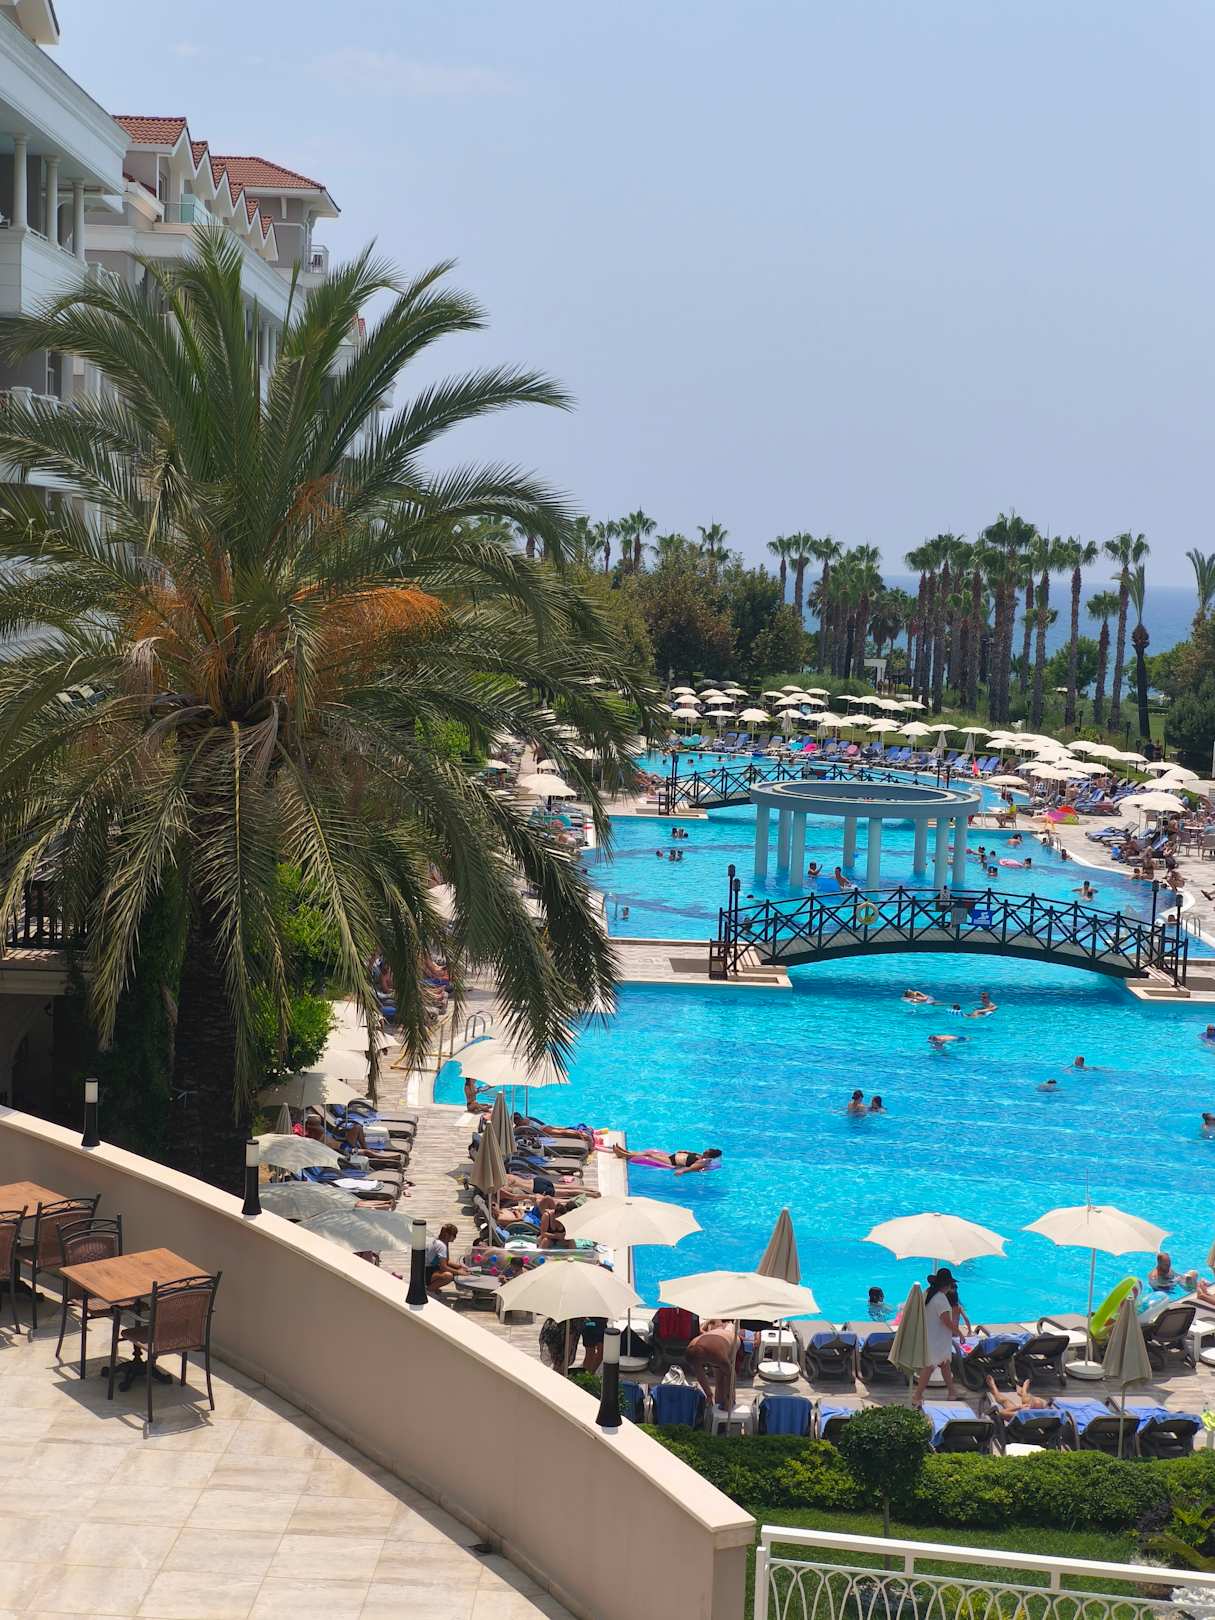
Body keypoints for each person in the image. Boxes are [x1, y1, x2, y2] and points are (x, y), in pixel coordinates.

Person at [913, 1270, 963, 1405]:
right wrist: (959, 1332)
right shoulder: (940, 1299)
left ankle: (952, 1392)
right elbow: (946, 1321)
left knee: (945, 1364)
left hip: (932, 1336)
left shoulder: (928, 1293)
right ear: (947, 1285)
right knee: (930, 1367)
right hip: (937, 1340)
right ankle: (917, 1395)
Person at [685, 1320, 738, 1410]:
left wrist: (728, 1397)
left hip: (732, 1340)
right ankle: (719, 1405)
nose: (699, 1365)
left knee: (723, 1378)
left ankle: (729, 1403)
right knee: (718, 1379)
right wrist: (708, 1395)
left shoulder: (716, 1354)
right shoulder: (692, 1349)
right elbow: (700, 1374)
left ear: (705, 1356)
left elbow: (731, 1375)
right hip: (715, 1338)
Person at [610, 1144, 722, 1175]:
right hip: (671, 1157)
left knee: (650, 1156)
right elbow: (690, 1153)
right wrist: (685, 1151)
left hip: (672, 1162)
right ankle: (625, 1152)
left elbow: (693, 1167)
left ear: (710, 1156)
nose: (704, 1151)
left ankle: (623, 1154)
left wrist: (682, 1171)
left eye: (706, 1152)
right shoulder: (701, 1156)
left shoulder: (703, 1162)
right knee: (650, 1152)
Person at [425, 1224, 467, 1294]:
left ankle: (434, 1286)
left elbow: (447, 1261)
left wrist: (460, 1267)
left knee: (456, 1271)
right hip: (427, 1272)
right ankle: (429, 1290)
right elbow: (443, 1267)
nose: (455, 1237)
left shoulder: (442, 1242)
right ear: (447, 1235)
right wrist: (459, 1272)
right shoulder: (441, 1246)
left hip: (430, 1269)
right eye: (454, 1235)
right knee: (448, 1276)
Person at [985, 1375, 1049, 1417]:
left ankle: (1023, 1391)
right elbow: (1043, 1404)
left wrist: (1019, 1407)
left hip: (1021, 1420)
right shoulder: (1046, 1414)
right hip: (1034, 1418)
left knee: (1005, 1401)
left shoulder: (1021, 1415)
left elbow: (1001, 1412)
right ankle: (1023, 1392)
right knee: (1034, 1401)